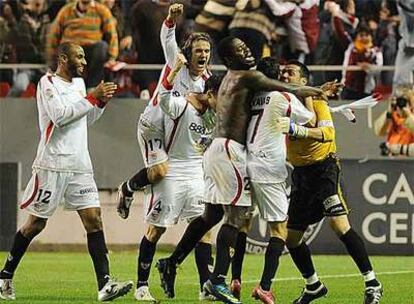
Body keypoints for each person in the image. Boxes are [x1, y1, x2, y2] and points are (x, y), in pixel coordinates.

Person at [156, 37, 322, 304]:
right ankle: (218, 281)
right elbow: (279, 86)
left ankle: (172, 261)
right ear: (230, 59)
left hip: (216, 150)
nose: (247, 51)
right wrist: (310, 90)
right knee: (237, 217)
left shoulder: (233, 79)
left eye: (246, 47)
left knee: (211, 215)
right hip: (231, 151)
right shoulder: (246, 76)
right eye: (240, 50)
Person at [0, 42, 133, 302]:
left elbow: (84, 119)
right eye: (79, 57)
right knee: (35, 224)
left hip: (80, 164)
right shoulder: (47, 83)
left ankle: (105, 285)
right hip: (53, 163)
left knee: (94, 219)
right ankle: (4, 277)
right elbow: (60, 117)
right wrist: (93, 97)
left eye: (84, 57)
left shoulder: (80, 85)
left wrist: (100, 105)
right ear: (63, 59)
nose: (84, 62)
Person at [277, 60, 383, 304]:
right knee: (291, 239)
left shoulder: (317, 102)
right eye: (282, 72)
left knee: (339, 226)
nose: (284, 76)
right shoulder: (281, 103)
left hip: (324, 170)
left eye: (290, 73)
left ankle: (372, 283)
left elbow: (328, 134)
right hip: (301, 175)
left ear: (303, 81)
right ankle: (313, 286)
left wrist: (297, 130)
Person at [134, 53, 221, 302]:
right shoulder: (182, 104)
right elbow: (162, 99)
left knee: (204, 228)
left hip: (196, 175)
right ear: (210, 93)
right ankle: (142, 287)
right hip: (172, 173)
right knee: (156, 229)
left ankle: (205, 286)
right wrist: (172, 73)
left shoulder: (215, 115)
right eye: (221, 97)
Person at [228, 57, 315, 304]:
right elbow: (309, 120)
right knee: (279, 230)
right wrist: (307, 94)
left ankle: (235, 278)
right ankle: (265, 287)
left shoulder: (250, 98)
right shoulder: (282, 98)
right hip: (268, 169)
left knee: (243, 225)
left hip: (245, 165)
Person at [116, 3, 211, 218]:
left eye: (206, 51)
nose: (202, 55)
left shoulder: (207, 82)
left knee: (173, 174)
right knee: (160, 171)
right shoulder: (176, 63)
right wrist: (170, 20)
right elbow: (167, 39)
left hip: (177, 132)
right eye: (198, 51)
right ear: (189, 53)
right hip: (154, 124)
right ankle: (128, 188)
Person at [47, 0, 118, 89]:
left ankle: (92, 86)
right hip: (70, 49)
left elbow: (112, 35)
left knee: (102, 46)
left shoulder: (102, 10)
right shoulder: (66, 11)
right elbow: (53, 35)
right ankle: (72, 87)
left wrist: (112, 58)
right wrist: (51, 61)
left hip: (91, 50)